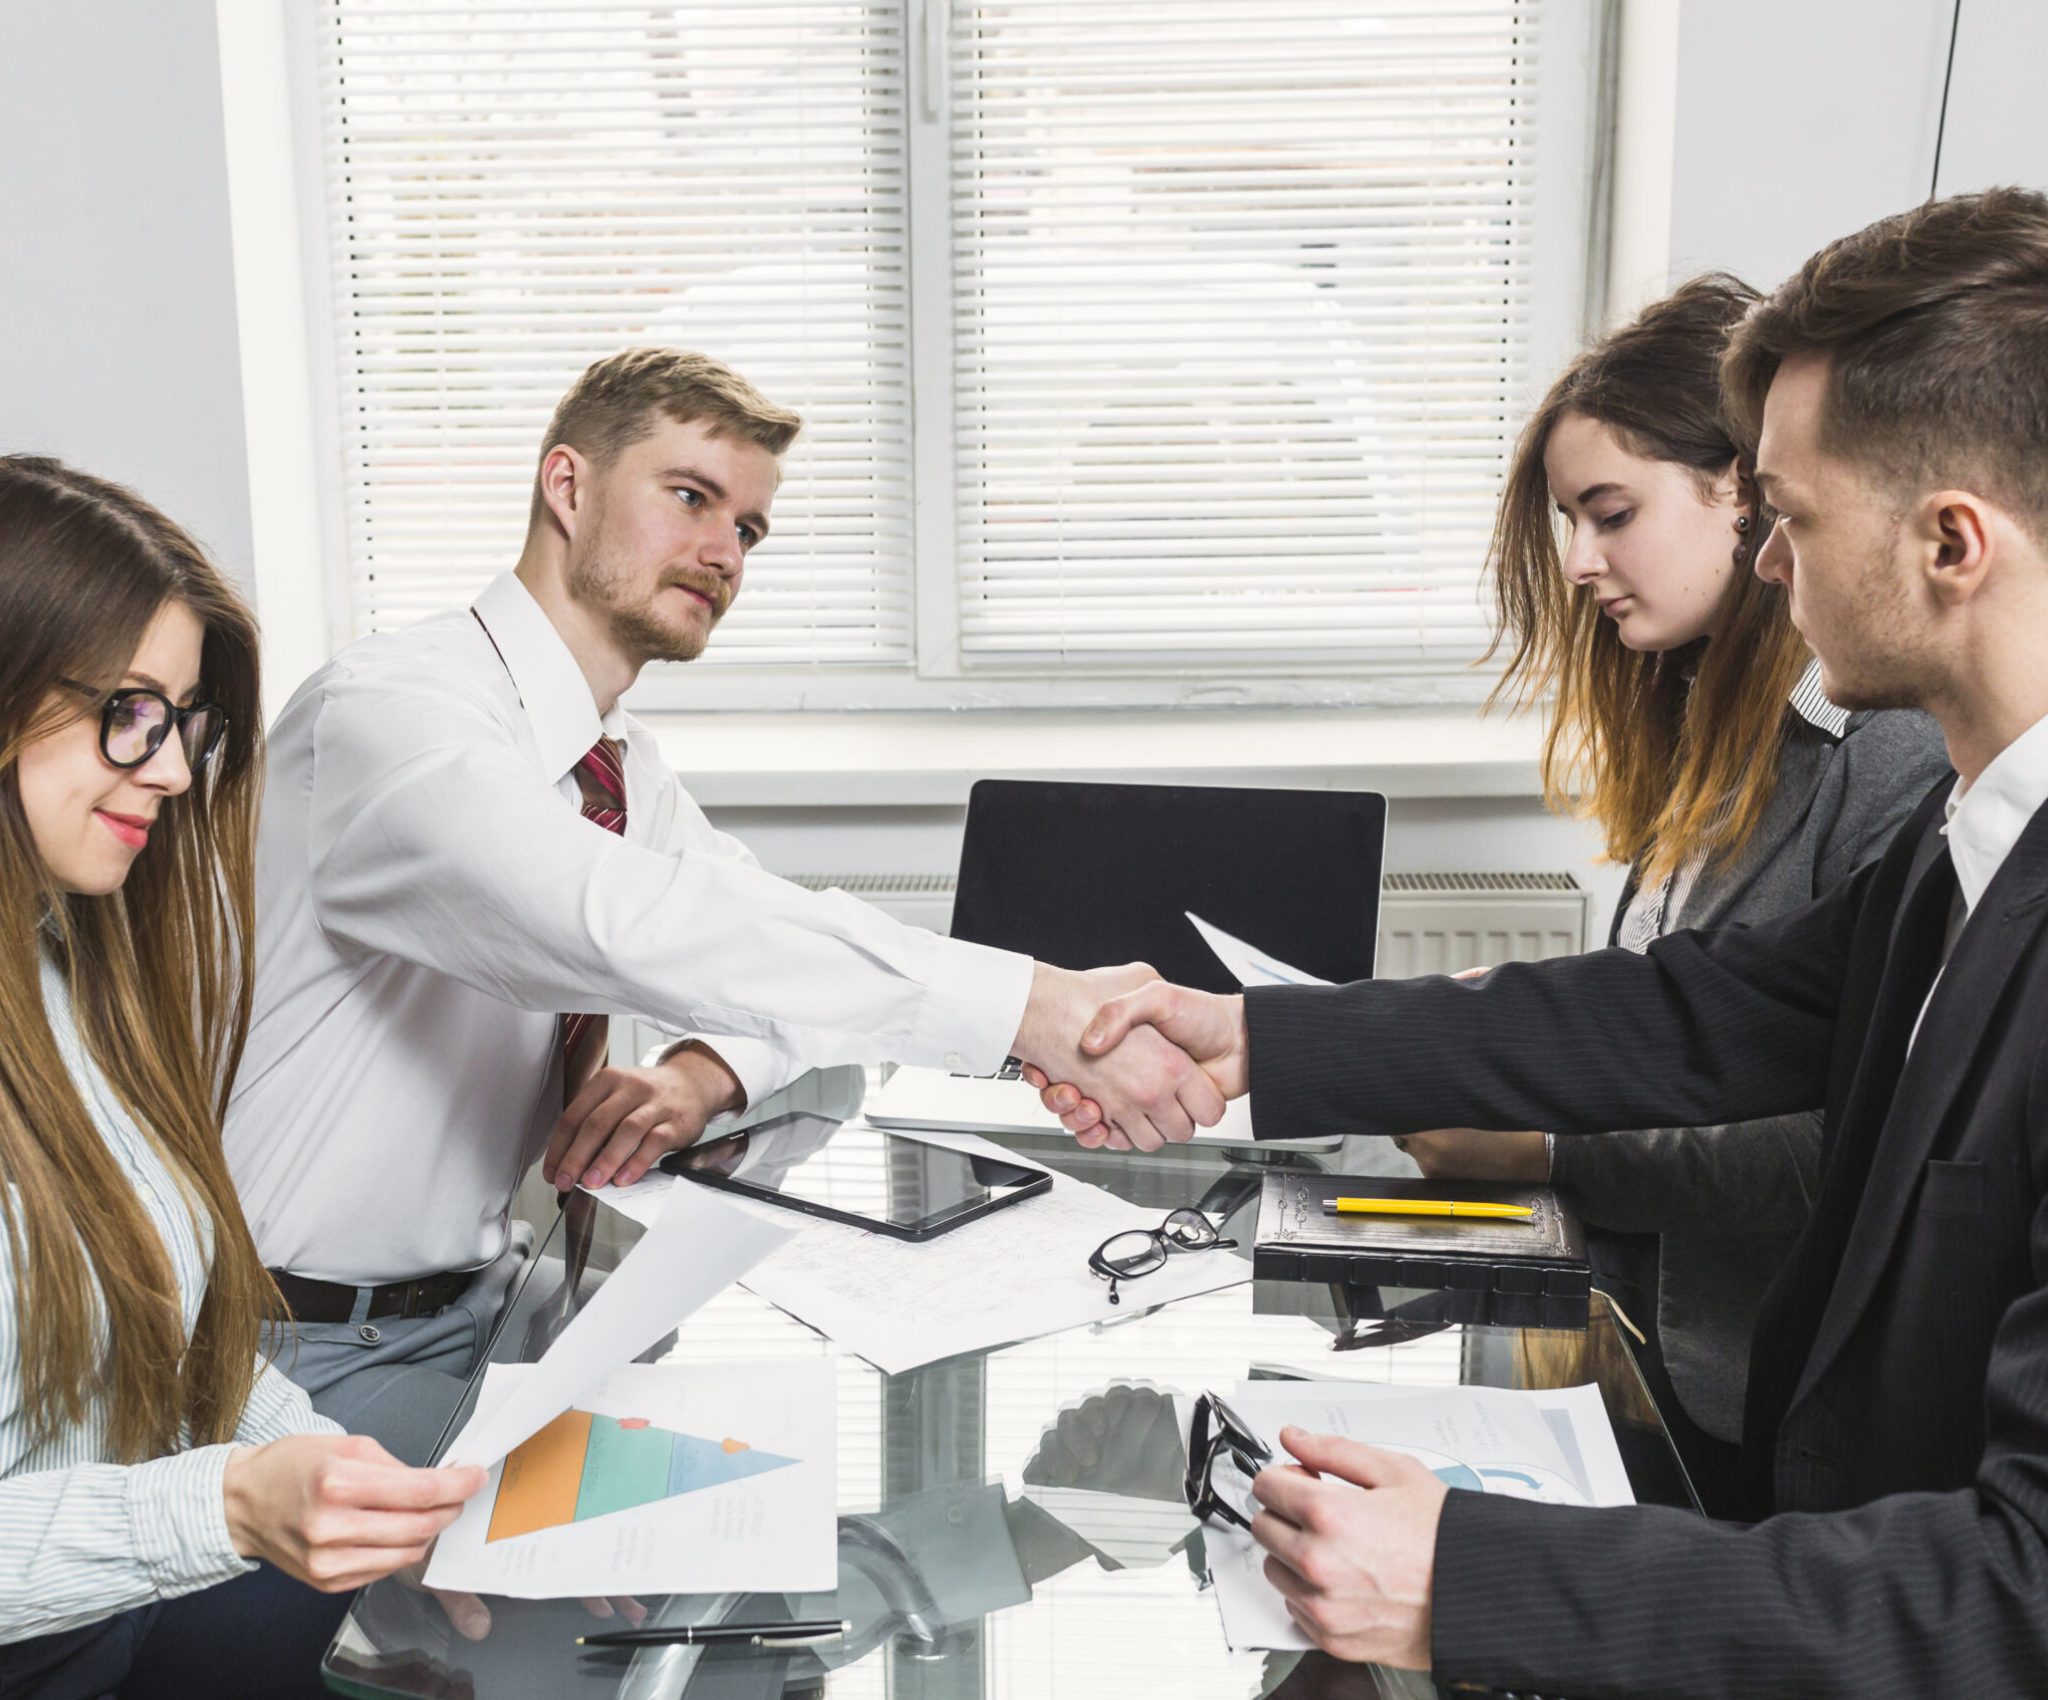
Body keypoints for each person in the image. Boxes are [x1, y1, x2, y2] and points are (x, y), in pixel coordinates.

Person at [1039, 187, 2048, 1694]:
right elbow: (1697, 1012)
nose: (1770, 566)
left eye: (1791, 518)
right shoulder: (1965, 840)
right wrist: (1258, 1039)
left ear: (1951, 543)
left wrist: (1471, 1579)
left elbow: (2012, 1594)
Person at [225, 348, 1219, 1462]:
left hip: (489, 1305)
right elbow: (616, 922)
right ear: (567, 484)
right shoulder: (394, 716)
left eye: (746, 529)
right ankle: (1057, 1523)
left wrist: (697, 1071)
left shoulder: (614, 771)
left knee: (770, 1457)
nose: (721, 552)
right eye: (690, 496)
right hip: (292, 1355)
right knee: (698, 1525)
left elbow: (753, 944)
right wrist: (1034, 1008)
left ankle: (1055, 1524)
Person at [1392, 275, 1948, 1514]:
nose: (1580, 562)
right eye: (1567, 522)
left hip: (1753, 1399)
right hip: (1630, 1347)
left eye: (1610, 513)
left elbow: (1828, 1152)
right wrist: (1518, 1035)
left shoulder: (1888, 754)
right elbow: (1669, 1023)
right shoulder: (1699, 712)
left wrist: (1545, 1145)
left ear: (1740, 490)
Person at [0, 458, 483, 1699]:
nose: (167, 769)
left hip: (112, 1623)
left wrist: (353, 1485)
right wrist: (225, 1505)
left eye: (181, 721)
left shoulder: (64, 973)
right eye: (127, 709)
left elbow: (160, 1355)